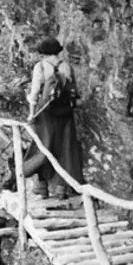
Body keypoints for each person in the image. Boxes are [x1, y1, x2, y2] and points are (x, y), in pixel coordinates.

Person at [26, 36, 84, 199]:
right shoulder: (66, 66)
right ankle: (61, 188)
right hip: (65, 112)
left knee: (42, 146)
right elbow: (73, 90)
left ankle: (42, 186)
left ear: (43, 52)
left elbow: (35, 92)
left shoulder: (41, 67)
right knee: (64, 147)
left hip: (46, 113)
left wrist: (31, 113)